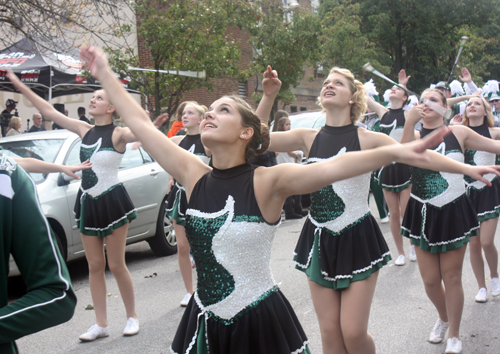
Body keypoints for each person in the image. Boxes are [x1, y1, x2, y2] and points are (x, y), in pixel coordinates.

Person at [76, 45, 497, 354]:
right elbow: (137, 120)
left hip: (264, 313)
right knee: (332, 336)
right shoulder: (191, 173)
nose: (208, 113)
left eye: (223, 110)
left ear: (244, 132)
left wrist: (399, 151)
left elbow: (333, 169)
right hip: (206, 320)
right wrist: (105, 72)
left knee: (351, 333)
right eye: (210, 109)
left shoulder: (270, 180)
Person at [255, 65, 500, 354]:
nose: (329, 85)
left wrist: (467, 168)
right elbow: (255, 140)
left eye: (339, 83)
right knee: (330, 335)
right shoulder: (307, 137)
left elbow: (421, 157)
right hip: (318, 239)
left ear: (352, 98)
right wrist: (268, 96)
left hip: (357, 237)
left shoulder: (367, 138)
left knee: (354, 333)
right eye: (327, 82)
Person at [6, 68, 141, 342]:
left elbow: (140, 129)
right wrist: (22, 87)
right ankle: (101, 323)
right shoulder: (84, 130)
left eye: (99, 97)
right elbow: (49, 112)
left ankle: (132, 316)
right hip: (88, 202)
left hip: (112, 200)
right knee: (94, 266)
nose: (92, 100)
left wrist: (143, 126)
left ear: (112, 106)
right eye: (92, 97)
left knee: (116, 264)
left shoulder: (118, 134)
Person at [401, 88, 500, 354]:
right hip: (422, 213)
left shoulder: (459, 133)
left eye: (434, 99)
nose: (427, 103)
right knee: (431, 281)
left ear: (446, 107)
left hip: (454, 210)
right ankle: (443, 318)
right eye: (423, 100)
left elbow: (496, 146)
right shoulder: (415, 134)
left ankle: (454, 334)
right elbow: (403, 155)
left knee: (452, 276)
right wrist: (409, 122)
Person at [0, 154, 91, 354]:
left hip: (105, 203)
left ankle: (122, 318)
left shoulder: (7, 173)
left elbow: (57, 293)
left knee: (106, 265)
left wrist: (61, 167)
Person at [366, 70, 415, 265]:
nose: (393, 90)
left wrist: (403, 84)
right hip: (387, 169)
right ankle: (400, 252)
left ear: (404, 97)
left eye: (398, 89)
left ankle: (413, 246)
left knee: (406, 212)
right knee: (394, 213)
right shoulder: (383, 112)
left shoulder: (409, 113)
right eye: (392, 88)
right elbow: (365, 97)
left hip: (404, 166)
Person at [165, 101, 210, 307]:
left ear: (201, 119)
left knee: (206, 247)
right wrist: (170, 176)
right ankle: (188, 291)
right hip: (181, 197)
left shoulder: (208, 141)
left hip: (203, 197)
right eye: (183, 113)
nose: (185, 116)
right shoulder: (177, 141)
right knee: (182, 246)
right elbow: (167, 159)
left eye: (190, 113)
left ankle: (207, 287)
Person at [460, 96, 500, 303]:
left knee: (486, 242)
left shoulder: (494, 133)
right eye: (469, 104)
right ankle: (481, 286)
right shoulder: (459, 134)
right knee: (474, 245)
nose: (472, 106)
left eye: (477, 103)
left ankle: (494, 276)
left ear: (485, 111)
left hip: (489, 189)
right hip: (467, 193)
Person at [275, 115, 308, 219]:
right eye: (286, 124)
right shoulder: (284, 136)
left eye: (289, 124)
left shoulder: (280, 135)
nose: (289, 126)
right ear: (281, 125)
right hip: (285, 164)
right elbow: (290, 151)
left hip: (287, 163)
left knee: (295, 187)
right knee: (290, 188)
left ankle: (296, 208)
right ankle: (290, 210)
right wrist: (298, 154)